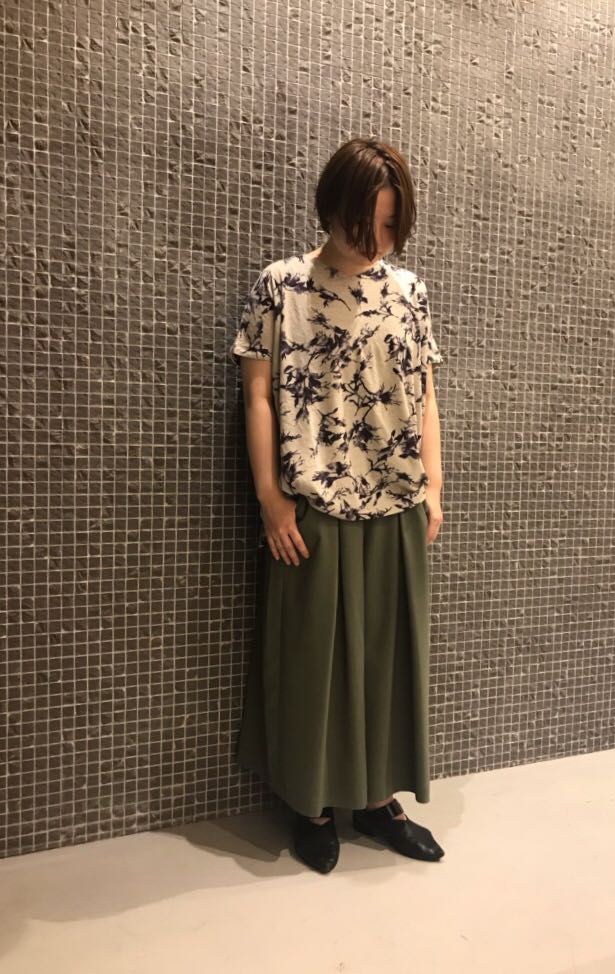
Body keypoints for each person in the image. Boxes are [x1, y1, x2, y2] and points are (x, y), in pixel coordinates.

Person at [229, 137, 445, 873]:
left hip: (397, 502)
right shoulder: (283, 285)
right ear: (331, 209)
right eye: (364, 222)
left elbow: (425, 393)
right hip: (313, 503)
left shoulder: (409, 291)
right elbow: (258, 395)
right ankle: (312, 804)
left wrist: (435, 485)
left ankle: (379, 801)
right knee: (311, 661)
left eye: (389, 225)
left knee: (389, 662)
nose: (375, 240)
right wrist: (270, 499)